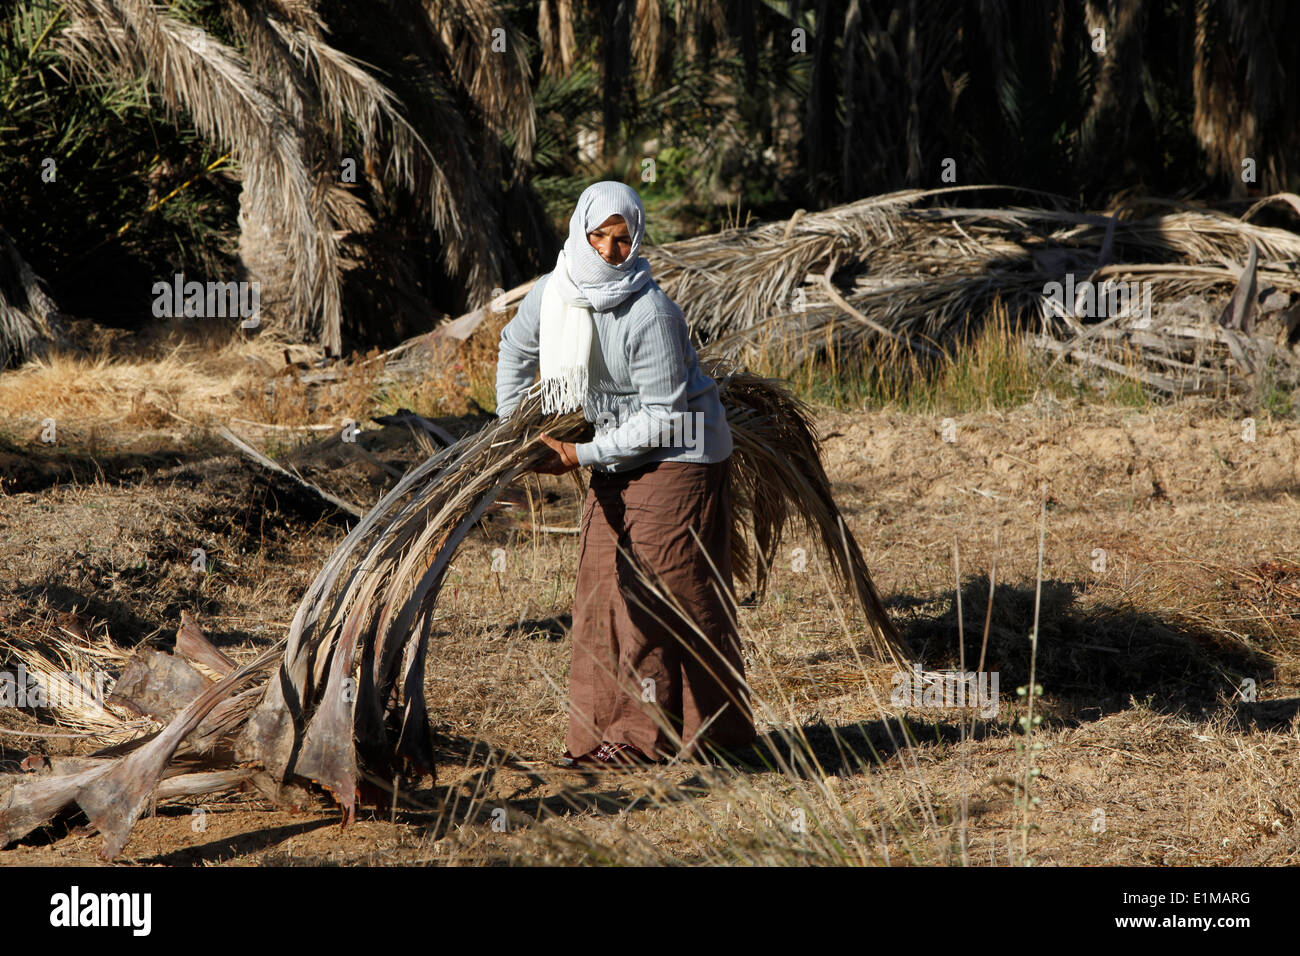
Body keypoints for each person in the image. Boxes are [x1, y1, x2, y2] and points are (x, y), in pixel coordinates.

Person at [495, 181, 756, 768]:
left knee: (655, 593)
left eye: (623, 240)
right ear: (580, 230)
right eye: (600, 237)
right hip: (614, 449)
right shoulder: (555, 291)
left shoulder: (650, 312)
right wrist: (516, 429)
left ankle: (651, 740)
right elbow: (515, 347)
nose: (611, 251)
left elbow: (666, 418)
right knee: (597, 595)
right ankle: (598, 738)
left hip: (680, 455)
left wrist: (578, 456)